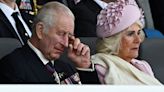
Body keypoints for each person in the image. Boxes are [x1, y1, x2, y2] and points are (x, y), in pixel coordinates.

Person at [0, 1, 100, 84]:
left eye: (69, 36)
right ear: (40, 31)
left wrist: (84, 66)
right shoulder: (13, 67)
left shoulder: (67, 67)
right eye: (61, 34)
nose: (65, 43)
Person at [91, 0, 162, 85]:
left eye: (138, 33)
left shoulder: (143, 65)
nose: (138, 40)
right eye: (130, 34)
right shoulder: (102, 67)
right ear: (113, 41)